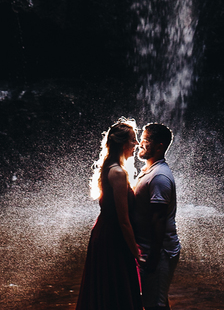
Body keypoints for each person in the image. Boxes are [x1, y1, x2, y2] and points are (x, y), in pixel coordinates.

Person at [76, 118, 143, 310]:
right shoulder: (118, 173)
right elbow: (123, 221)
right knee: (117, 291)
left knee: (107, 291)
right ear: (122, 144)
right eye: (133, 140)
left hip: (104, 235)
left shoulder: (110, 167)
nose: (136, 144)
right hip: (113, 239)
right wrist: (136, 253)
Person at [132, 122, 179, 310]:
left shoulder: (160, 176)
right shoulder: (150, 171)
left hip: (160, 252)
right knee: (152, 301)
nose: (139, 144)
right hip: (149, 249)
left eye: (145, 140)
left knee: (156, 305)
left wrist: (154, 256)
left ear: (159, 146)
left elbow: (158, 219)